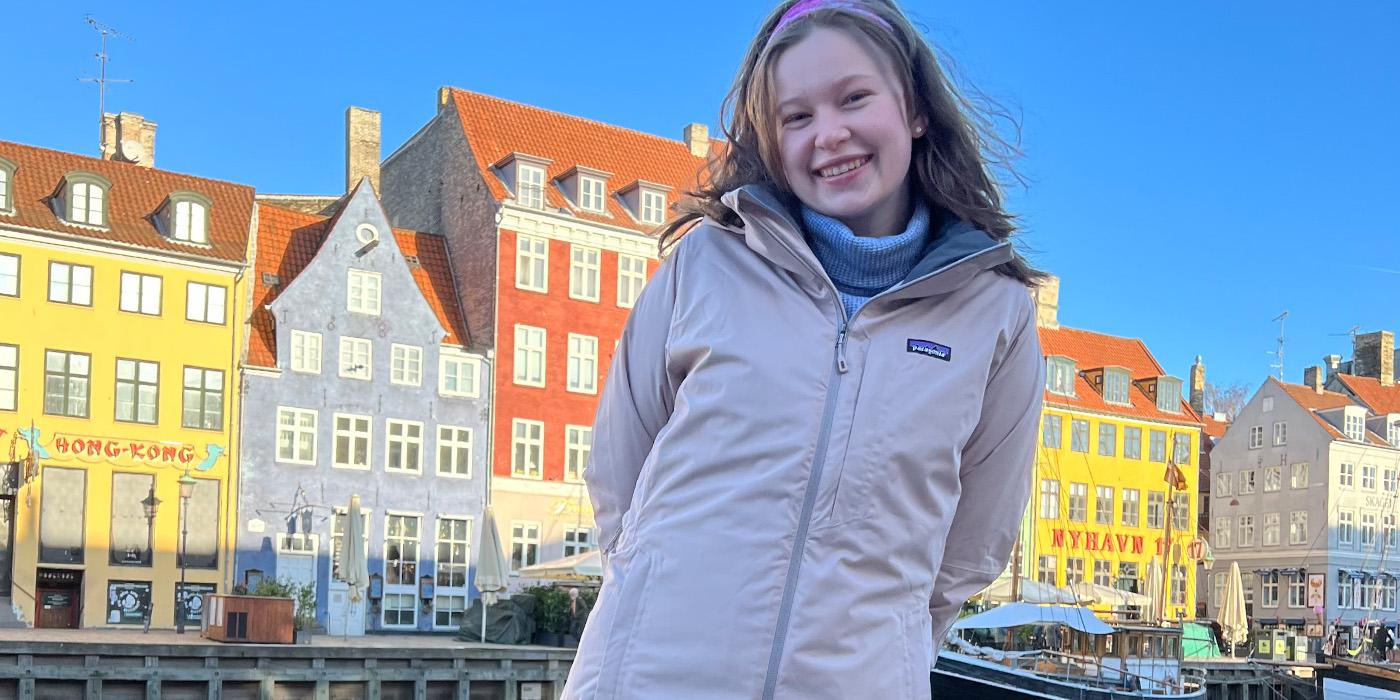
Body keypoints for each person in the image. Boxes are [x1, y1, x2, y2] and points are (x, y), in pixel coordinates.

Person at [563, 1, 1044, 697]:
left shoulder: (995, 314)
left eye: (854, 98)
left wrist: (891, 648)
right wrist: (655, 596)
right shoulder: (705, 263)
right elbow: (620, 470)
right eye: (798, 116)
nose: (830, 134)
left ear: (914, 110)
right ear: (774, 139)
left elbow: (974, 543)